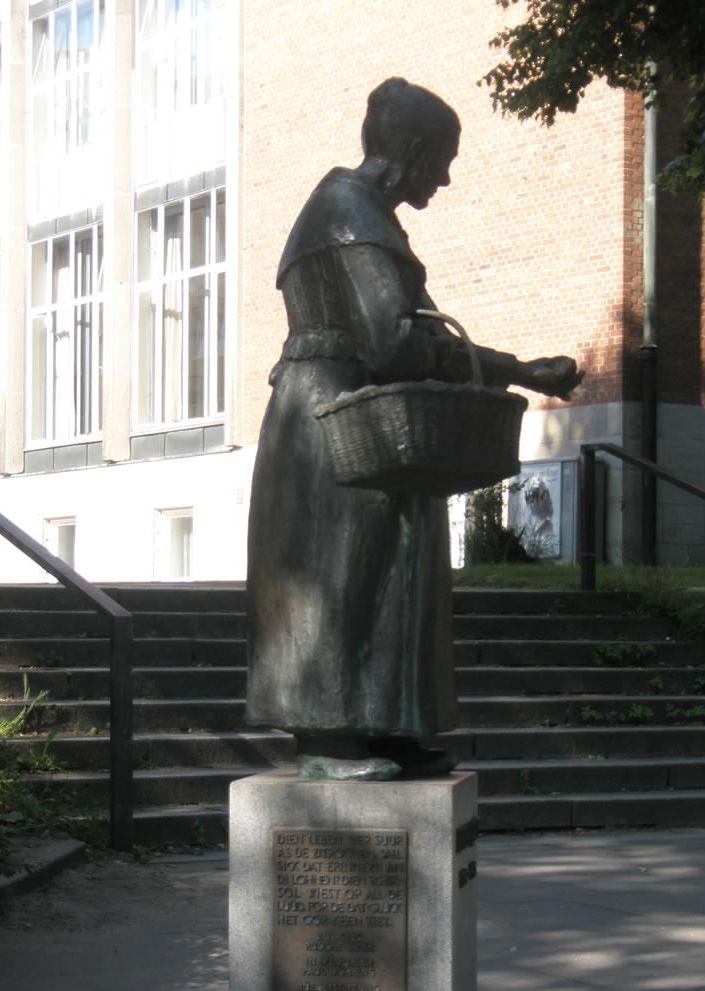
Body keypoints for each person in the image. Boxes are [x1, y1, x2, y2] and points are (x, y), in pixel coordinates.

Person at [245, 78, 581, 781]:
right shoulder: (346, 212)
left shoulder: (371, 217)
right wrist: (510, 371)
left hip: (373, 415)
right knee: (340, 573)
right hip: (334, 418)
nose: (446, 179)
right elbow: (395, 342)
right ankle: (328, 737)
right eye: (444, 162)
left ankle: (382, 721)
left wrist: (520, 371)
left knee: (398, 567)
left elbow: (426, 334)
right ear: (418, 150)